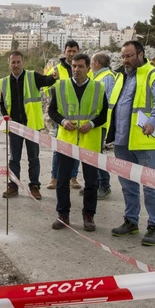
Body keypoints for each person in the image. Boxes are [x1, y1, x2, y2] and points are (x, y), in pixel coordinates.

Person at [107, 40, 155, 246]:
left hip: (145, 142)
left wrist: (153, 122)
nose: (125, 60)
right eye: (123, 56)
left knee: (151, 186)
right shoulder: (121, 77)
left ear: (141, 55)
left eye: (129, 56)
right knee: (127, 185)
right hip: (122, 141)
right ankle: (131, 221)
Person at [47, 53, 108, 232]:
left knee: (91, 182)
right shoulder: (61, 87)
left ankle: (88, 216)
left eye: (81, 66)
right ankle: (63, 214)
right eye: (74, 66)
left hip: (90, 141)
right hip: (67, 141)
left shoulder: (98, 88)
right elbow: (52, 111)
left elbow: (104, 114)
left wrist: (91, 124)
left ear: (88, 68)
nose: (77, 70)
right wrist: (62, 121)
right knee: (62, 180)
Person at [0, 50, 57, 200]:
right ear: (9, 64)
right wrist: (6, 117)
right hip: (15, 126)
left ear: (23, 63)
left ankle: (35, 186)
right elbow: (3, 103)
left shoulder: (32, 76)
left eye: (18, 62)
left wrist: (53, 77)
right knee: (14, 159)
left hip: (31, 125)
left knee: (34, 158)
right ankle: (13, 185)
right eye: (13, 62)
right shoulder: (4, 82)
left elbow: (47, 81)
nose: (16, 65)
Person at [46, 40, 81, 190]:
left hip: (79, 115)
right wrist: (57, 94)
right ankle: (55, 177)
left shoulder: (84, 68)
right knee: (58, 148)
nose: (72, 54)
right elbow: (47, 87)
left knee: (77, 147)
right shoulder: (56, 69)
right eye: (69, 51)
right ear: (64, 51)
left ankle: (73, 177)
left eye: (74, 51)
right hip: (60, 115)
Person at [80, 53, 115, 200]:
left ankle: (104, 185)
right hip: (93, 122)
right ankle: (93, 184)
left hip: (100, 123)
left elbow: (104, 102)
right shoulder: (98, 77)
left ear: (97, 63)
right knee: (91, 153)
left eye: (92, 62)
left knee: (97, 154)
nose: (90, 65)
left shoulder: (106, 77)